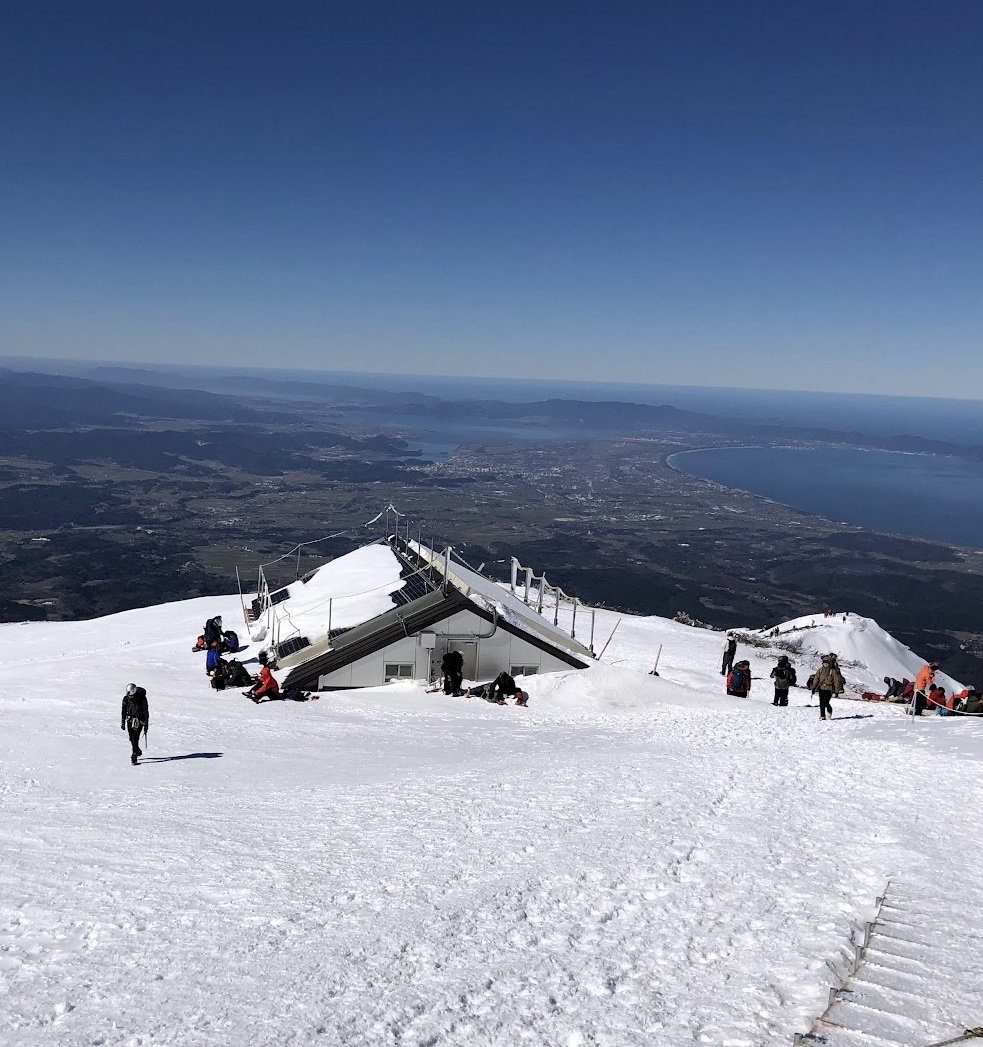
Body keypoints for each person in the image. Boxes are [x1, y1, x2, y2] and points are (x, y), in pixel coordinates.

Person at [120, 683, 149, 765]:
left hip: (139, 721)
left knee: (135, 738)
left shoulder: (142, 699)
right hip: (129, 720)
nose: (127, 694)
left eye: (129, 692)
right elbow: (124, 710)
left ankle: (134, 755)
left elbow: (146, 711)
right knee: (131, 738)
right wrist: (123, 721)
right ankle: (137, 750)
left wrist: (146, 723)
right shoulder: (126, 699)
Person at [810, 653, 844, 721]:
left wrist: (837, 691)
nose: (825, 663)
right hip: (821, 688)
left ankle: (829, 711)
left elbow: (836, 681)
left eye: (826, 662)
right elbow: (816, 679)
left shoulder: (832, 671)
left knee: (825, 702)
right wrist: (814, 687)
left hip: (829, 689)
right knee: (821, 702)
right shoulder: (820, 670)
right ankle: (822, 715)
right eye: (824, 662)